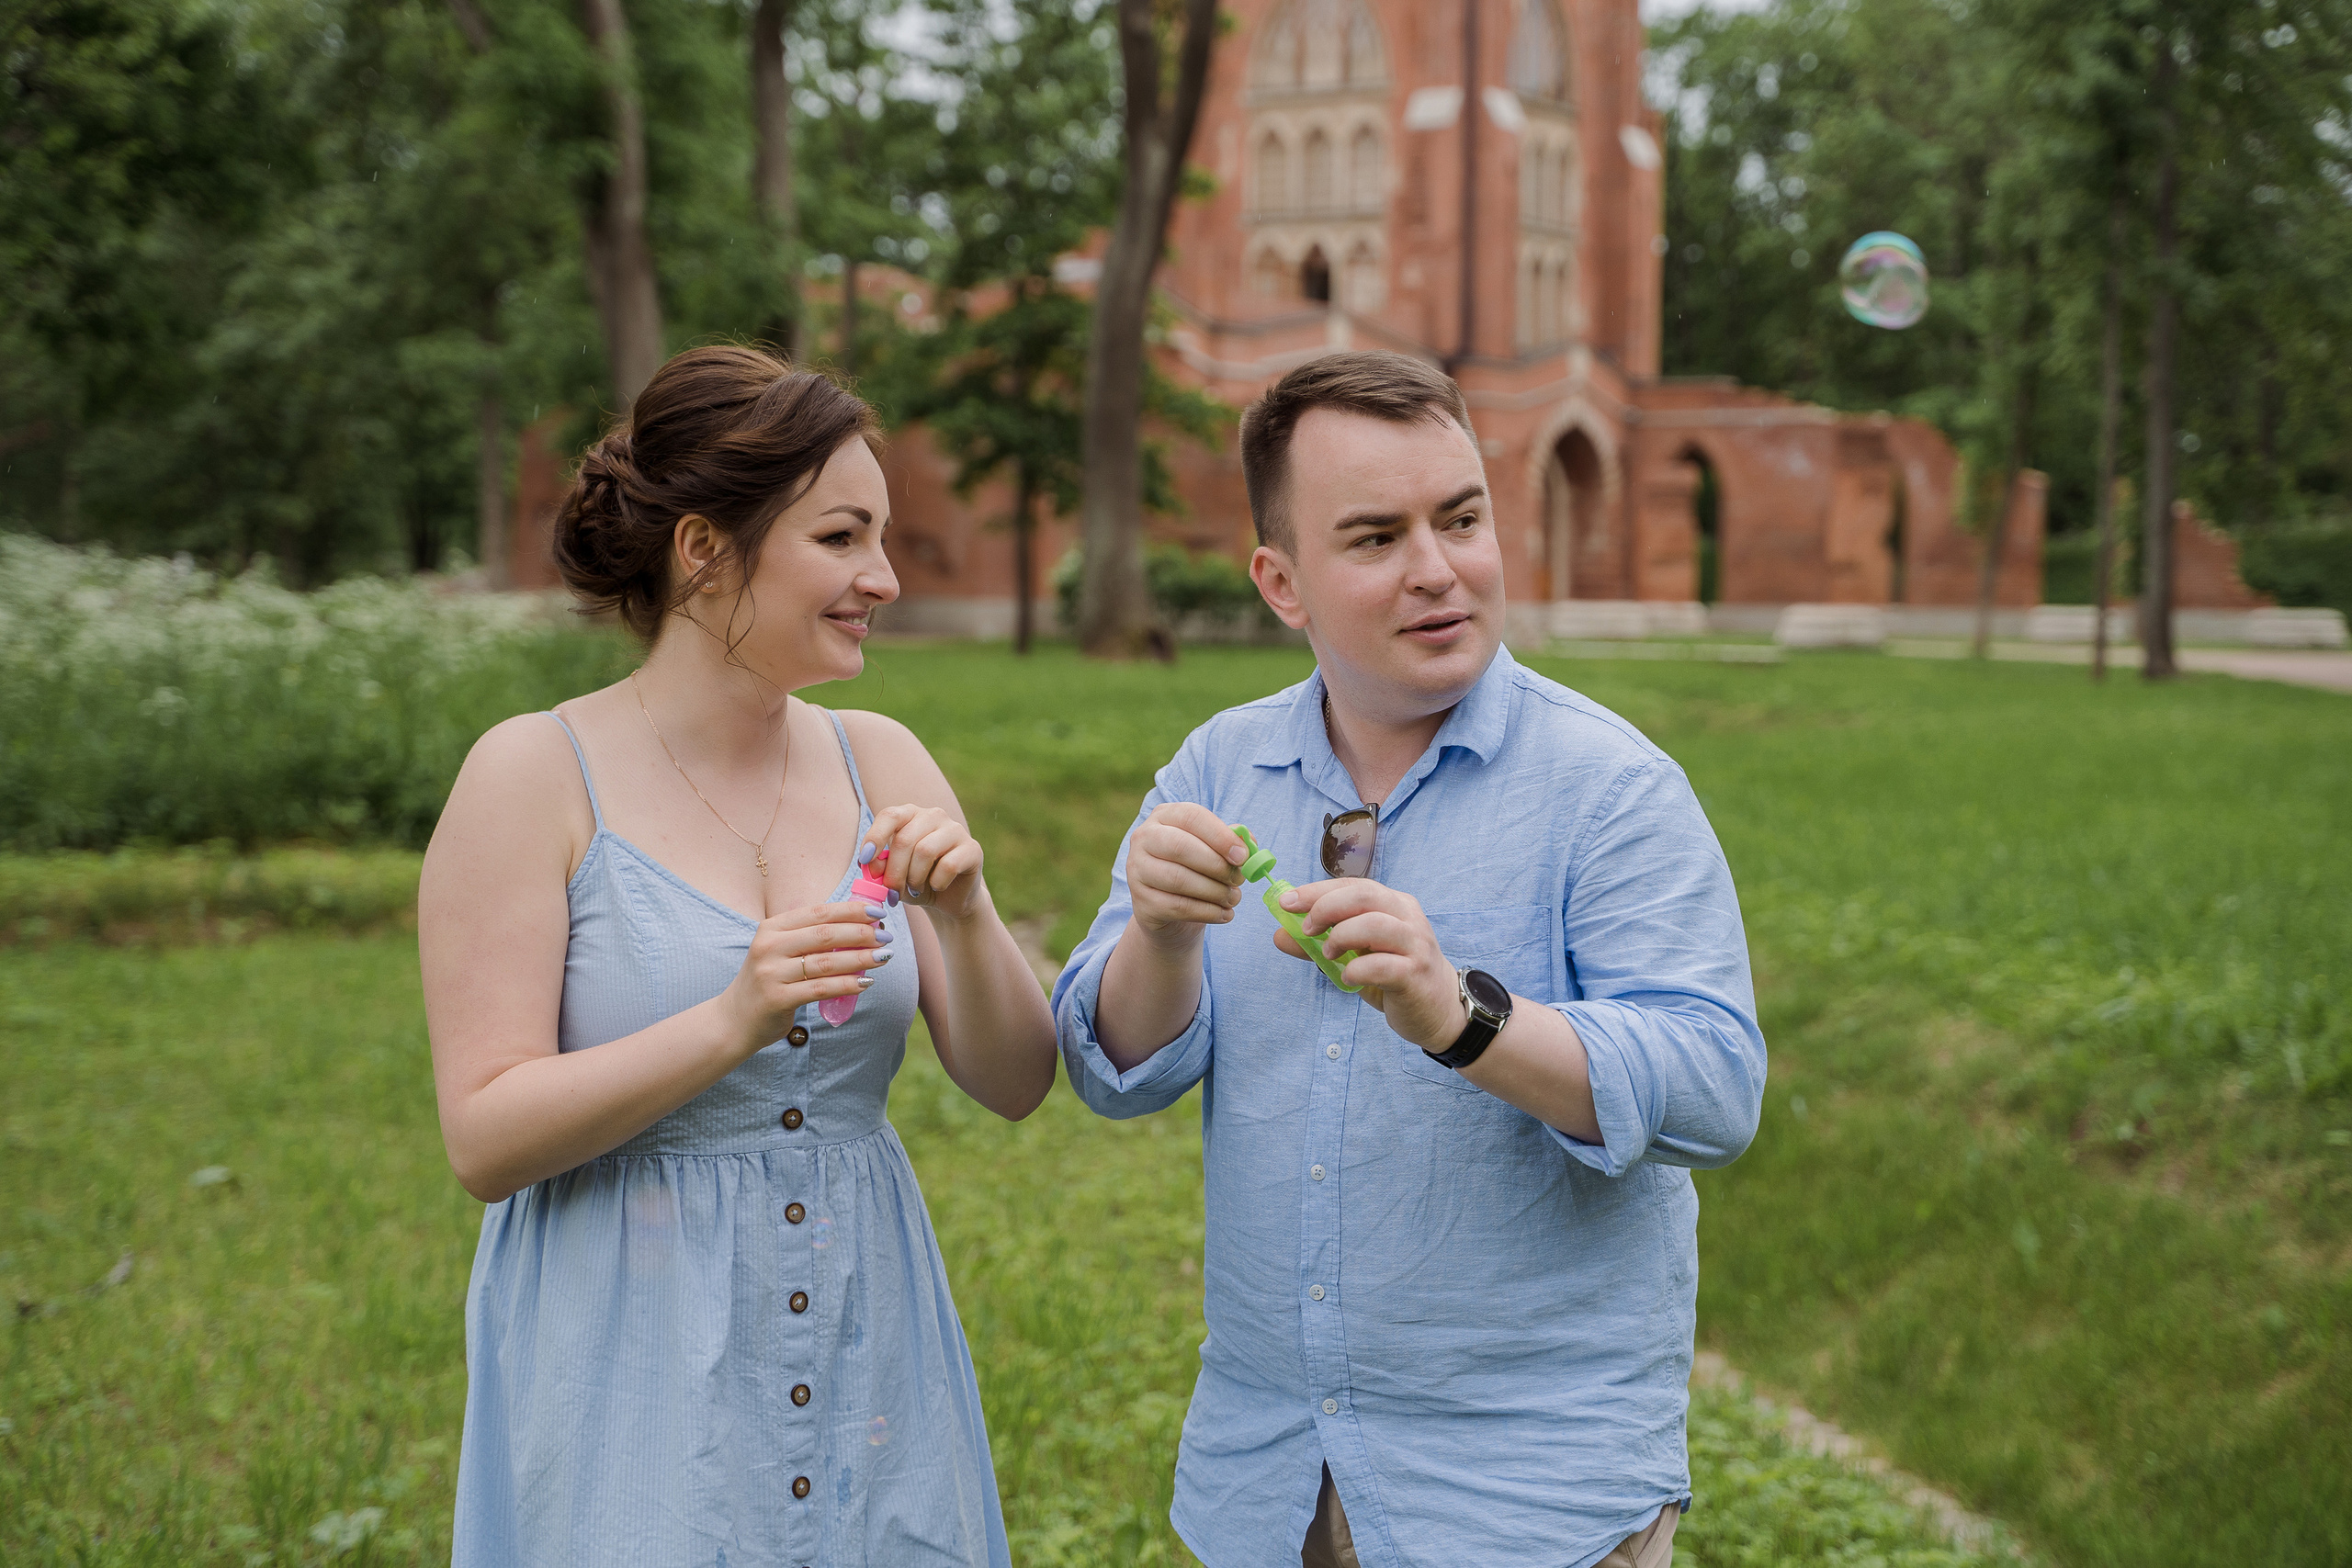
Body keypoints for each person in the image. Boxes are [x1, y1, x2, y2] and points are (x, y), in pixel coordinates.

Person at [1051, 351, 1768, 1568]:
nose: (1438, 570)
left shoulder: (1610, 789)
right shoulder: (1224, 770)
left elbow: (1714, 1088)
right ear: (1283, 582)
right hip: (1275, 1476)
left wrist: (1461, 1019)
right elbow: (1116, 1068)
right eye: (1376, 537)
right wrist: (1161, 937)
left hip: (1523, 1496)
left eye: (1463, 518)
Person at [420, 344, 1056, 1567]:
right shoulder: (535, 775)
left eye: (883, 539)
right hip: (630, 1354)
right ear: (703, 548)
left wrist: (969, 919)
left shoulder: (882, 759)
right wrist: (728, 1020)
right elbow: (484, 1139)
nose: (883, 578)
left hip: (871, 1340)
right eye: (840, 538)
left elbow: (1017, 1081)